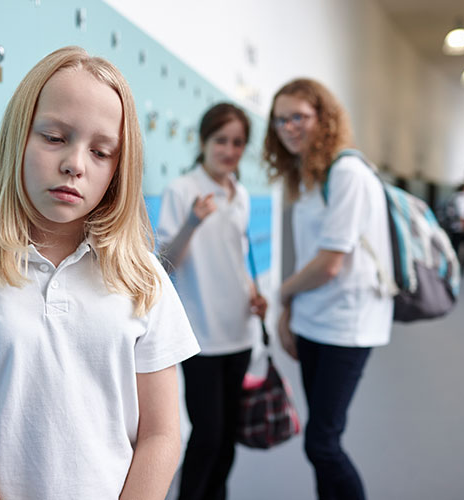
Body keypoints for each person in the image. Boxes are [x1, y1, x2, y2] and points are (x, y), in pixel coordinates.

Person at [0, 46, 200, 500]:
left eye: (101, 151)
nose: (76, 163)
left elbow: (161, 436)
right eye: (54, 137)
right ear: (19, 136)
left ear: (118, 168)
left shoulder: (141, 276)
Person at [263, 78, 393, 500]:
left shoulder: (348, 173)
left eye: (298, 116)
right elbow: (309, 262)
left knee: (322, 442)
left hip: (347, 324)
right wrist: (290, 315)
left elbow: (330, 264)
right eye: (281, 119)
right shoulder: (307, 179)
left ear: (324, 117)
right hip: (314, 320)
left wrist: (282, 295)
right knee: (321, 443)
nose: (288, 127)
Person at [156, 102, 268, 500]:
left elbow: (237, 256)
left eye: (238, 143)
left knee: (227, 439)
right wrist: (192, 221)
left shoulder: (240, 194)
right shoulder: (182, 189)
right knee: (207, 435)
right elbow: (165, 264)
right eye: (221, 140)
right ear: (203, 141)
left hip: (240, 330)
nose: (230, 150)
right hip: (201, 333)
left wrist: (255, 294)